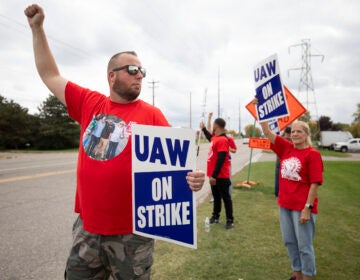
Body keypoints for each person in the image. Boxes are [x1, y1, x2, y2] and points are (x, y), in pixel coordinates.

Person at [24, 4, 205, 279]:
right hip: (88, 230)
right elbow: (50, 75)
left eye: (143, 72)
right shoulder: (89, 103)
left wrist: (192, 180)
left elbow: (177, 168)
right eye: (132, 69)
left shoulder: (152, 115)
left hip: (134, 234)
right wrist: (37, 29)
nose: (139, 76)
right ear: (112, 75)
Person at [256, 103, 323, 280]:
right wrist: (260, 110)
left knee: (304, 246)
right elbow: (268, 133)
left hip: (302, 207)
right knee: (290, 242)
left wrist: (307, 208)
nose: (294, 134)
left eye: (299, 131)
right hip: (284, 205)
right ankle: (297, 274)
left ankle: (307, 276)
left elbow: (315, 183)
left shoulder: (312, 154)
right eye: (292, 131)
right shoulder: (286, 148)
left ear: (307, 134)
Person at [200, 117, 234, 230]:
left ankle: (230, 220)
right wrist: (204, 128)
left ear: (217, 126)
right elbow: (210, 138)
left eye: (213, 124)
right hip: (213, 175)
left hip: (221, 175)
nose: (212, 126)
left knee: (226, 198)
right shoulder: (215, 137)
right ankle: (215, 216)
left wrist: (214, 175)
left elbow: (221, 159)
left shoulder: (223, 140)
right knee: (216, 197)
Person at [274, 126, 292, 197]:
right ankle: (280, 193)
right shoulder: (291, 140)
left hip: (281, 161)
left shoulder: (281, 139)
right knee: (284, 179)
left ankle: (277, 193)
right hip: (285, 161)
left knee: (279, 178)